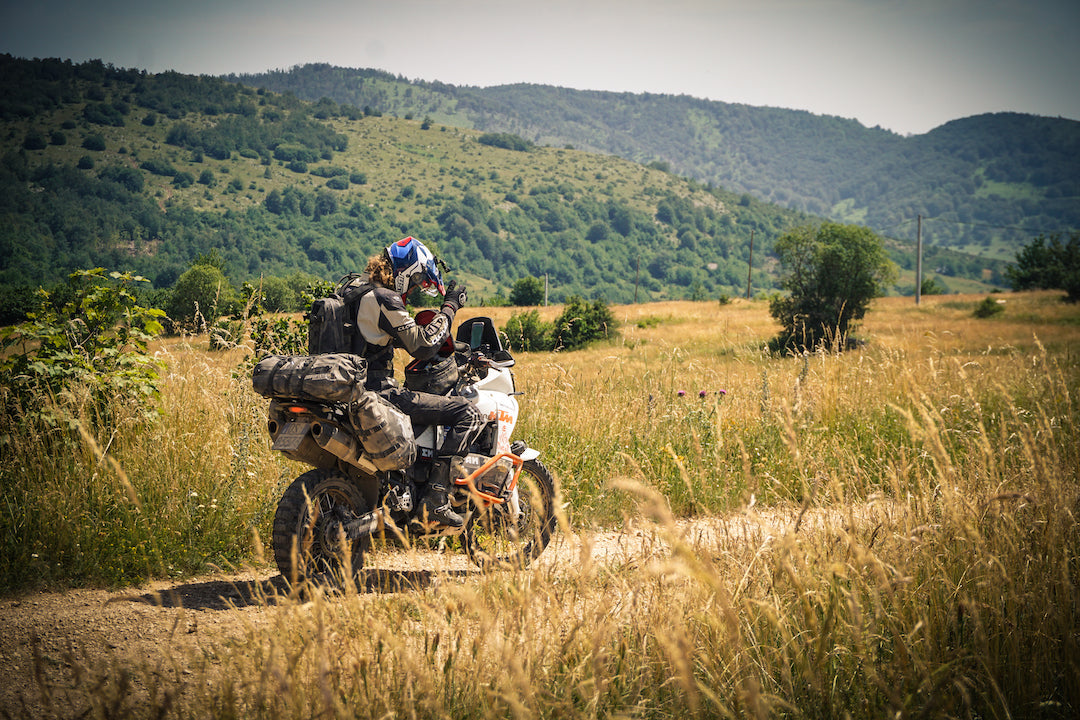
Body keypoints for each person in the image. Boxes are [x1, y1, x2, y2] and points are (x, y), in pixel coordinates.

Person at [352, 236, 483, 527]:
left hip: (349, 390)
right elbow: (422, 346)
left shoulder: (354, 294)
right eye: (415, 282)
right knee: (468, 413)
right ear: (407, 272)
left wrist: (456, 349)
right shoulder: (383, 297)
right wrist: (449, 307)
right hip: (378, 392)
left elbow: (380, 339)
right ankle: (436, 498)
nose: (412, 290)